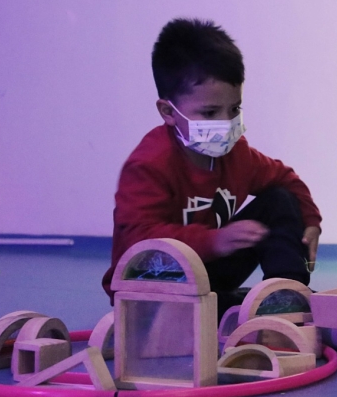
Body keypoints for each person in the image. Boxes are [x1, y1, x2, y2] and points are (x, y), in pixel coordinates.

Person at [102, 18, 321, 319]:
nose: (226, 123)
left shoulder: (237, 153)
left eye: (234, 109)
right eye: (209, 113)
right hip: (151, 287)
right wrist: (213, 241)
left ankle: (287, 294)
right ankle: (232, 309)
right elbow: (141, 241)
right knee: (199, 313)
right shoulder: (148, 165)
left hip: (206, 272)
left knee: (280, 198)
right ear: (168, 111)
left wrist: (311, 221)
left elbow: (287, 179)